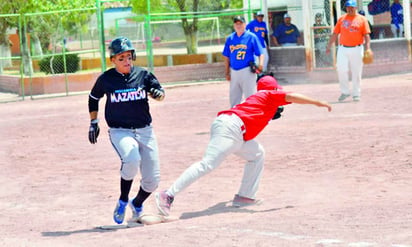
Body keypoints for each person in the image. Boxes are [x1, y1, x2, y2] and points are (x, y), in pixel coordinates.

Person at [154, 74, 332, 216]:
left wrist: (269, 115)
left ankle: (245, 196)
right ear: (272, 89)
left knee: (257, 154)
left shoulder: (261, 100)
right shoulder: (268, 94)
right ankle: (168, 194)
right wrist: (318, 103)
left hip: (236, 132)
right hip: (231, 129)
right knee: (207, 164)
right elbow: (291, 96)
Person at [87, 36, 165, 224]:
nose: (126, 61)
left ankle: (136, 203)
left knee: (153, 180)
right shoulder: (106, 79)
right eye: (121, 58)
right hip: (120, 131)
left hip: (145, 130)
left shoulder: (143, 74)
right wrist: (94, 122)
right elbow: (93, 97)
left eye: (129, 57)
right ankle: (122, 200)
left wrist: (158, 95)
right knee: (131, 158)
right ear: (113, 60)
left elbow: (160, 93)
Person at [326, 0, 372, 102]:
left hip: (357, 48)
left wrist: (368, 48)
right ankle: (345, 92)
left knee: (356, 72)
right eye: (348, 7)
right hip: (343, 48)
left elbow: (367, 36)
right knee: (341, 69)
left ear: (355, 8)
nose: (350, 9)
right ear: (346, 8)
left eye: (352, 7)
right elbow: (335, 34)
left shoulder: (362, 19)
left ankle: (356, 93)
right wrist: (329, 45)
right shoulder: (342, 19)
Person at [222, 16, 264, 107]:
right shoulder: (230, 38)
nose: (238, 25)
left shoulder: (251, 37)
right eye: (236, 24)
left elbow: (260, 53)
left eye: (240, 23)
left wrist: (260, 64)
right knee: (234, 98)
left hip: (247, 70)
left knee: (251, 96)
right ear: (234, 25)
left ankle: (253, 116)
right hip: (234, 71)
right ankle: (234, 117)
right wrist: (227, 72)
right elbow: (226, 56)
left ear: (245, 24)